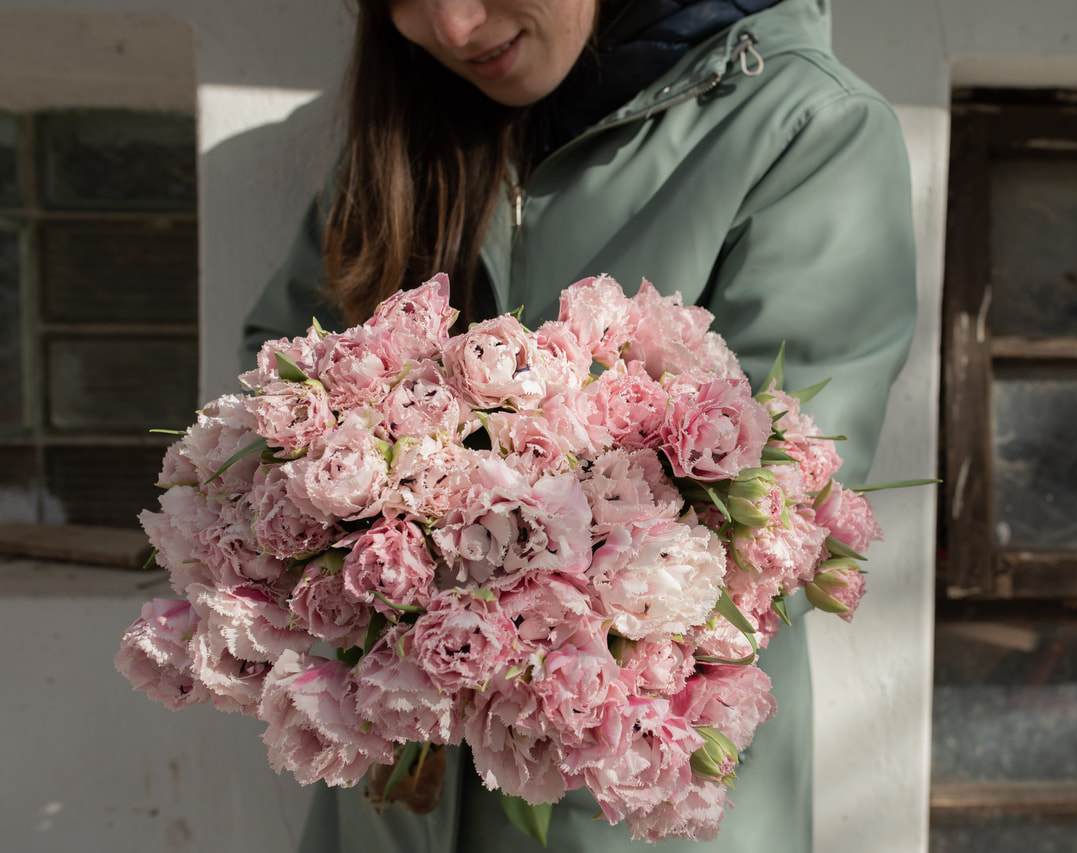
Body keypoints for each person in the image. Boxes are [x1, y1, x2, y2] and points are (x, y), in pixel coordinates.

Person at [241, 0, 917, 850]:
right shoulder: (412, 122)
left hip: (624, 801)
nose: (452, 27)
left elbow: (773, 504)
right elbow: (277, 386)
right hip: (392, 808)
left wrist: (421, 501)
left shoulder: (805, 129)